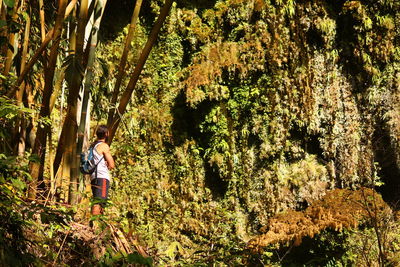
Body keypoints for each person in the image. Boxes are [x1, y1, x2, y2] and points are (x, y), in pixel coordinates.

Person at [90, 125, 115, 216]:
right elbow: (112, 165)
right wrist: (108, 164)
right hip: (102, 176)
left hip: (94, 176)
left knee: (97, 199)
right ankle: (95, 224)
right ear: (106, 134)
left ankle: (95, 223)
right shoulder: (104, 146)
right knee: (100, 201)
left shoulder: (93, 146)